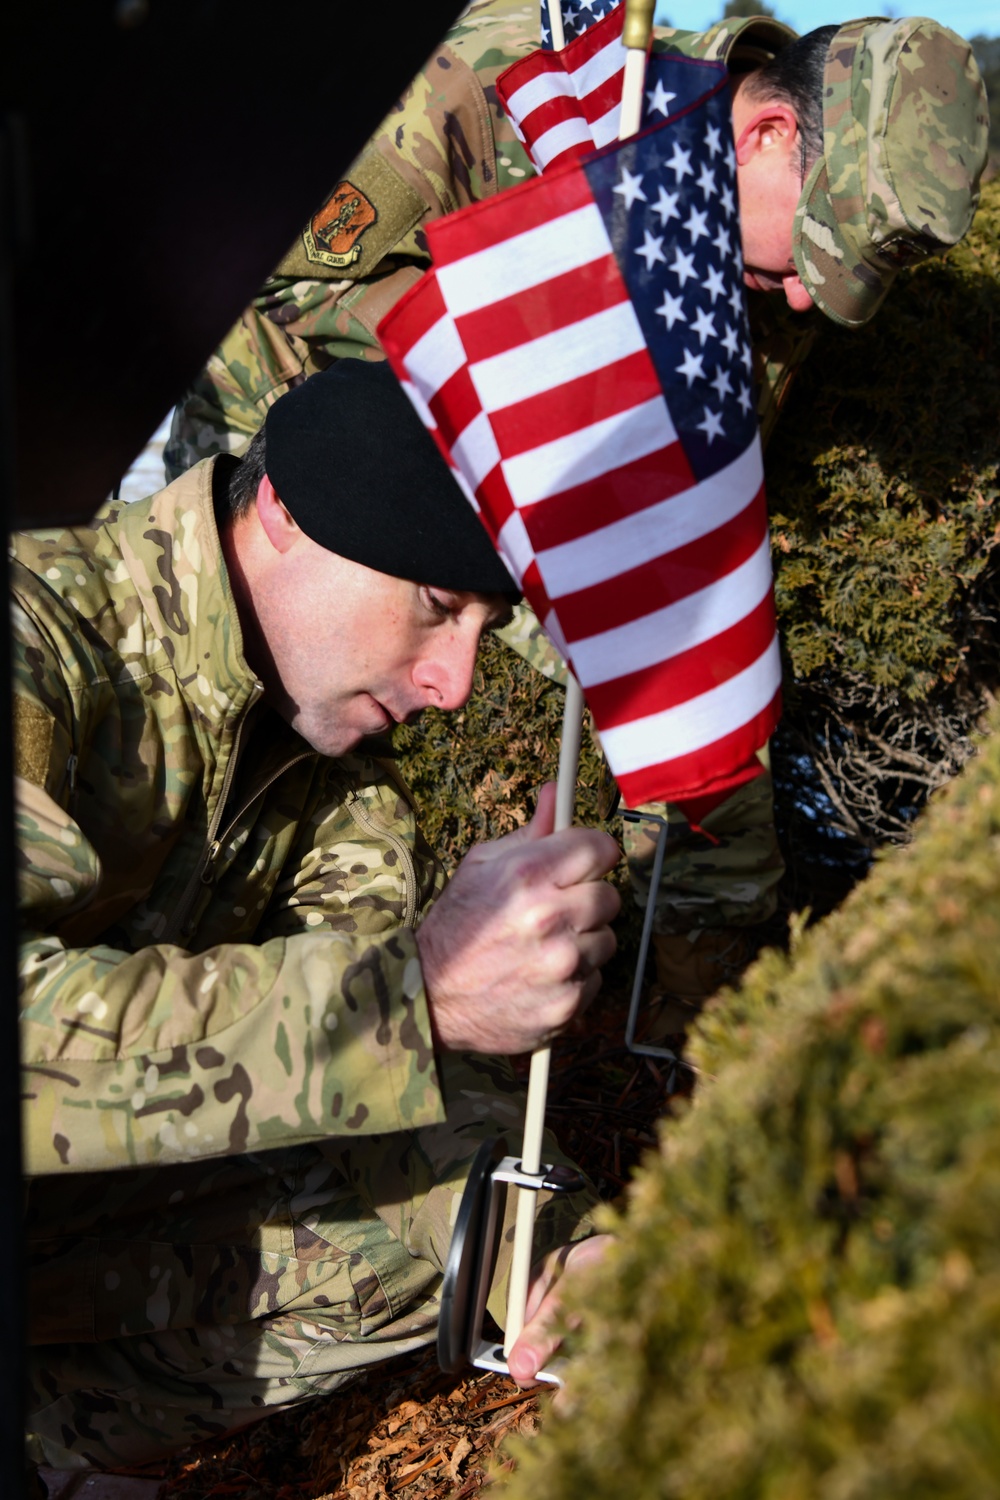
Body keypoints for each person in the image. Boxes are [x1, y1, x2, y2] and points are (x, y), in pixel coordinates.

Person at [162, 4, 988, 1025]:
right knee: (251, 760)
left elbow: (684, 505)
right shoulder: (498, 83)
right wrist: (432, 466)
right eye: (814, 249)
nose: (808, 301)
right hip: (317, 464)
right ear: (768, 133)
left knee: (707, 751)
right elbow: (247, 302)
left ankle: (699, 1047)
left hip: (537, 519)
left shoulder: (767, 255)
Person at [19, 359, 621, 1477]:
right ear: (285, 513)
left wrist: (559, 1260)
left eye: (486, 629)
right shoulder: (38, 641)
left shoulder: (338, 777)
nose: (454, 683)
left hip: (62, 1232)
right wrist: (419, 993)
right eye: (437, 609)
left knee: (406, 1260)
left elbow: (378, 1097)